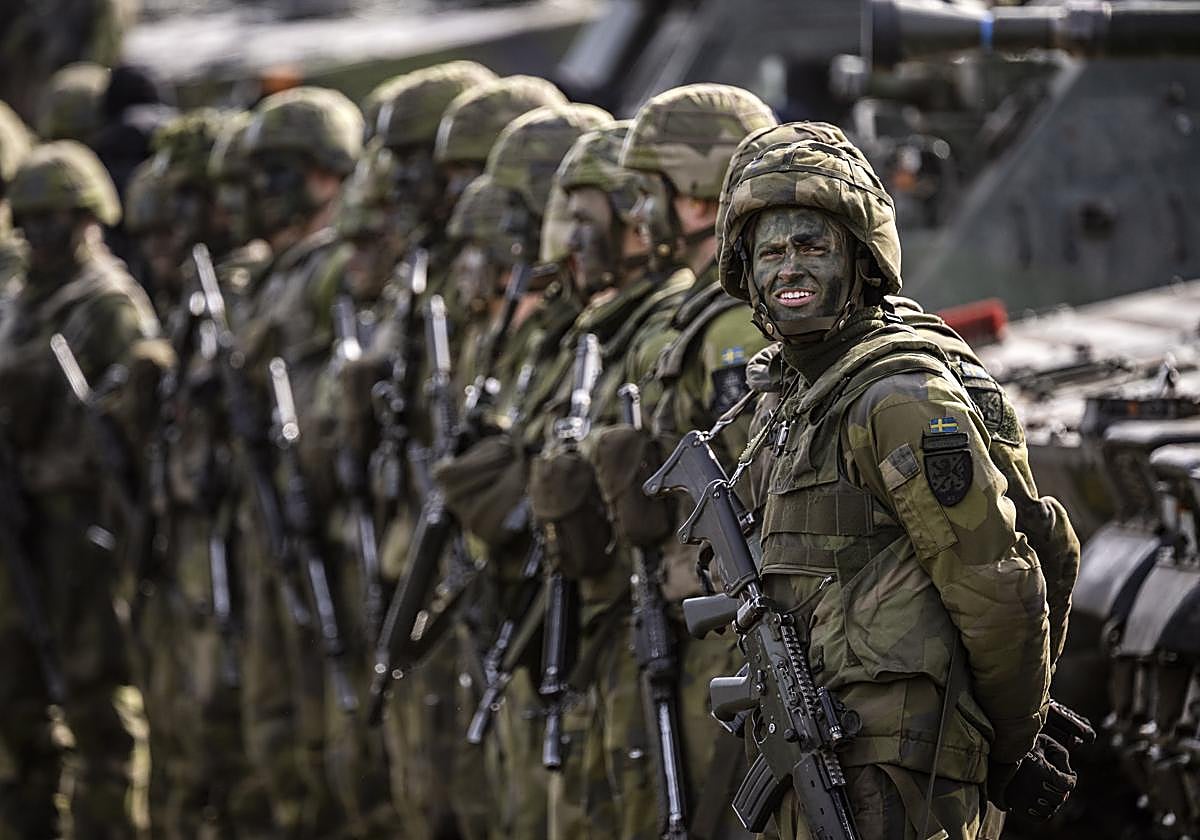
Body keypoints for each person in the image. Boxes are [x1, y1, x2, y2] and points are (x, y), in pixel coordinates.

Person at [715, 137, 1052, 838]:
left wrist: (1009, 746)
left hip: (899, 783)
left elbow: (1001, 592)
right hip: (816, 759)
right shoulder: (792, 395)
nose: (790, 270)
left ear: (861, 261)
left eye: (813, 247)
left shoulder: (899, 399)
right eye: (771, 254)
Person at [0, 139, 164, 839]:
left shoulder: (107, 304)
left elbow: (129, 427)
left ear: (89, 219)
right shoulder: (18, 307)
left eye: (56, 219)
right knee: (18, 698)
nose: (40, 236)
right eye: (28, 220)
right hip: (22, 518)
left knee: (97, 698)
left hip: (82, 525)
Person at [235, 85, 363, 836]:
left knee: (338, 739)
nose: (260, 193)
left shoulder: (333, 267)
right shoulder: (280, 269)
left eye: (279, 171)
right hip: (279, 514)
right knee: (281, 728)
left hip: (332, 524)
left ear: (326, 172)